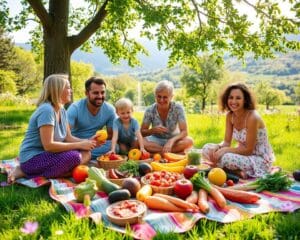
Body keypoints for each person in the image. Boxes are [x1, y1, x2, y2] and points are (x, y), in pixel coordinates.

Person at [8, 74, 99, 183]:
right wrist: (80, 145)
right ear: (58, 90)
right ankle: (24, 171)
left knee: (86, 153)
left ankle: (64, 172)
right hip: (32, 159)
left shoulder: (62, 110)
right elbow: (49, 145)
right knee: (74, 157)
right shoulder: (47, 111)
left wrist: (88, 142)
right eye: (68, 87)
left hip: (48, 156)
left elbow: (68, 138)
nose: (71, 90)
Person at [202, 82, 275, 179]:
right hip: (240, 154)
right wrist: (218, 147)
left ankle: (232, 170)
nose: (233, 101)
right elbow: (227, 142)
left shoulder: (253, 117)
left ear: (245, 100)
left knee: (227, 158)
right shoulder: (230, 116)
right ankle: (234, 171)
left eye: (238, 98)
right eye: (230, 97)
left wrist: (225, 150)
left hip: (258, 158)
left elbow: (249, 150)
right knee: (207, 149)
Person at [67, 76, 117, 159]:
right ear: (86, 93)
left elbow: (111, 134)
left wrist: (97, 140)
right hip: (77, 144)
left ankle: (82, 157)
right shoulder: (75, 108)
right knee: (71, 151)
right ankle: (80, 156)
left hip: (96, 145)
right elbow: (65, 135)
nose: (100, 96)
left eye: (103, 92)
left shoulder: (109, 109)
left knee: (115, 145)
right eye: (96, 93)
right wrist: (86, 142)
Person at [141, 80, 193, 154]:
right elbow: (142, 132)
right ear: (155, 95)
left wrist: (171, 141)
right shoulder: (149, 110)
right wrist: (152, 130)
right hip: (156, 140)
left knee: (189, 141)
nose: (161, 100)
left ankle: (157, 153)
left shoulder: (178, 108)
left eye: (165, 97)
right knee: (138, 141)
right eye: (159, 96)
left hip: (174, 140)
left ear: (171, 97)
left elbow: (184, 132)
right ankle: (172, 153)